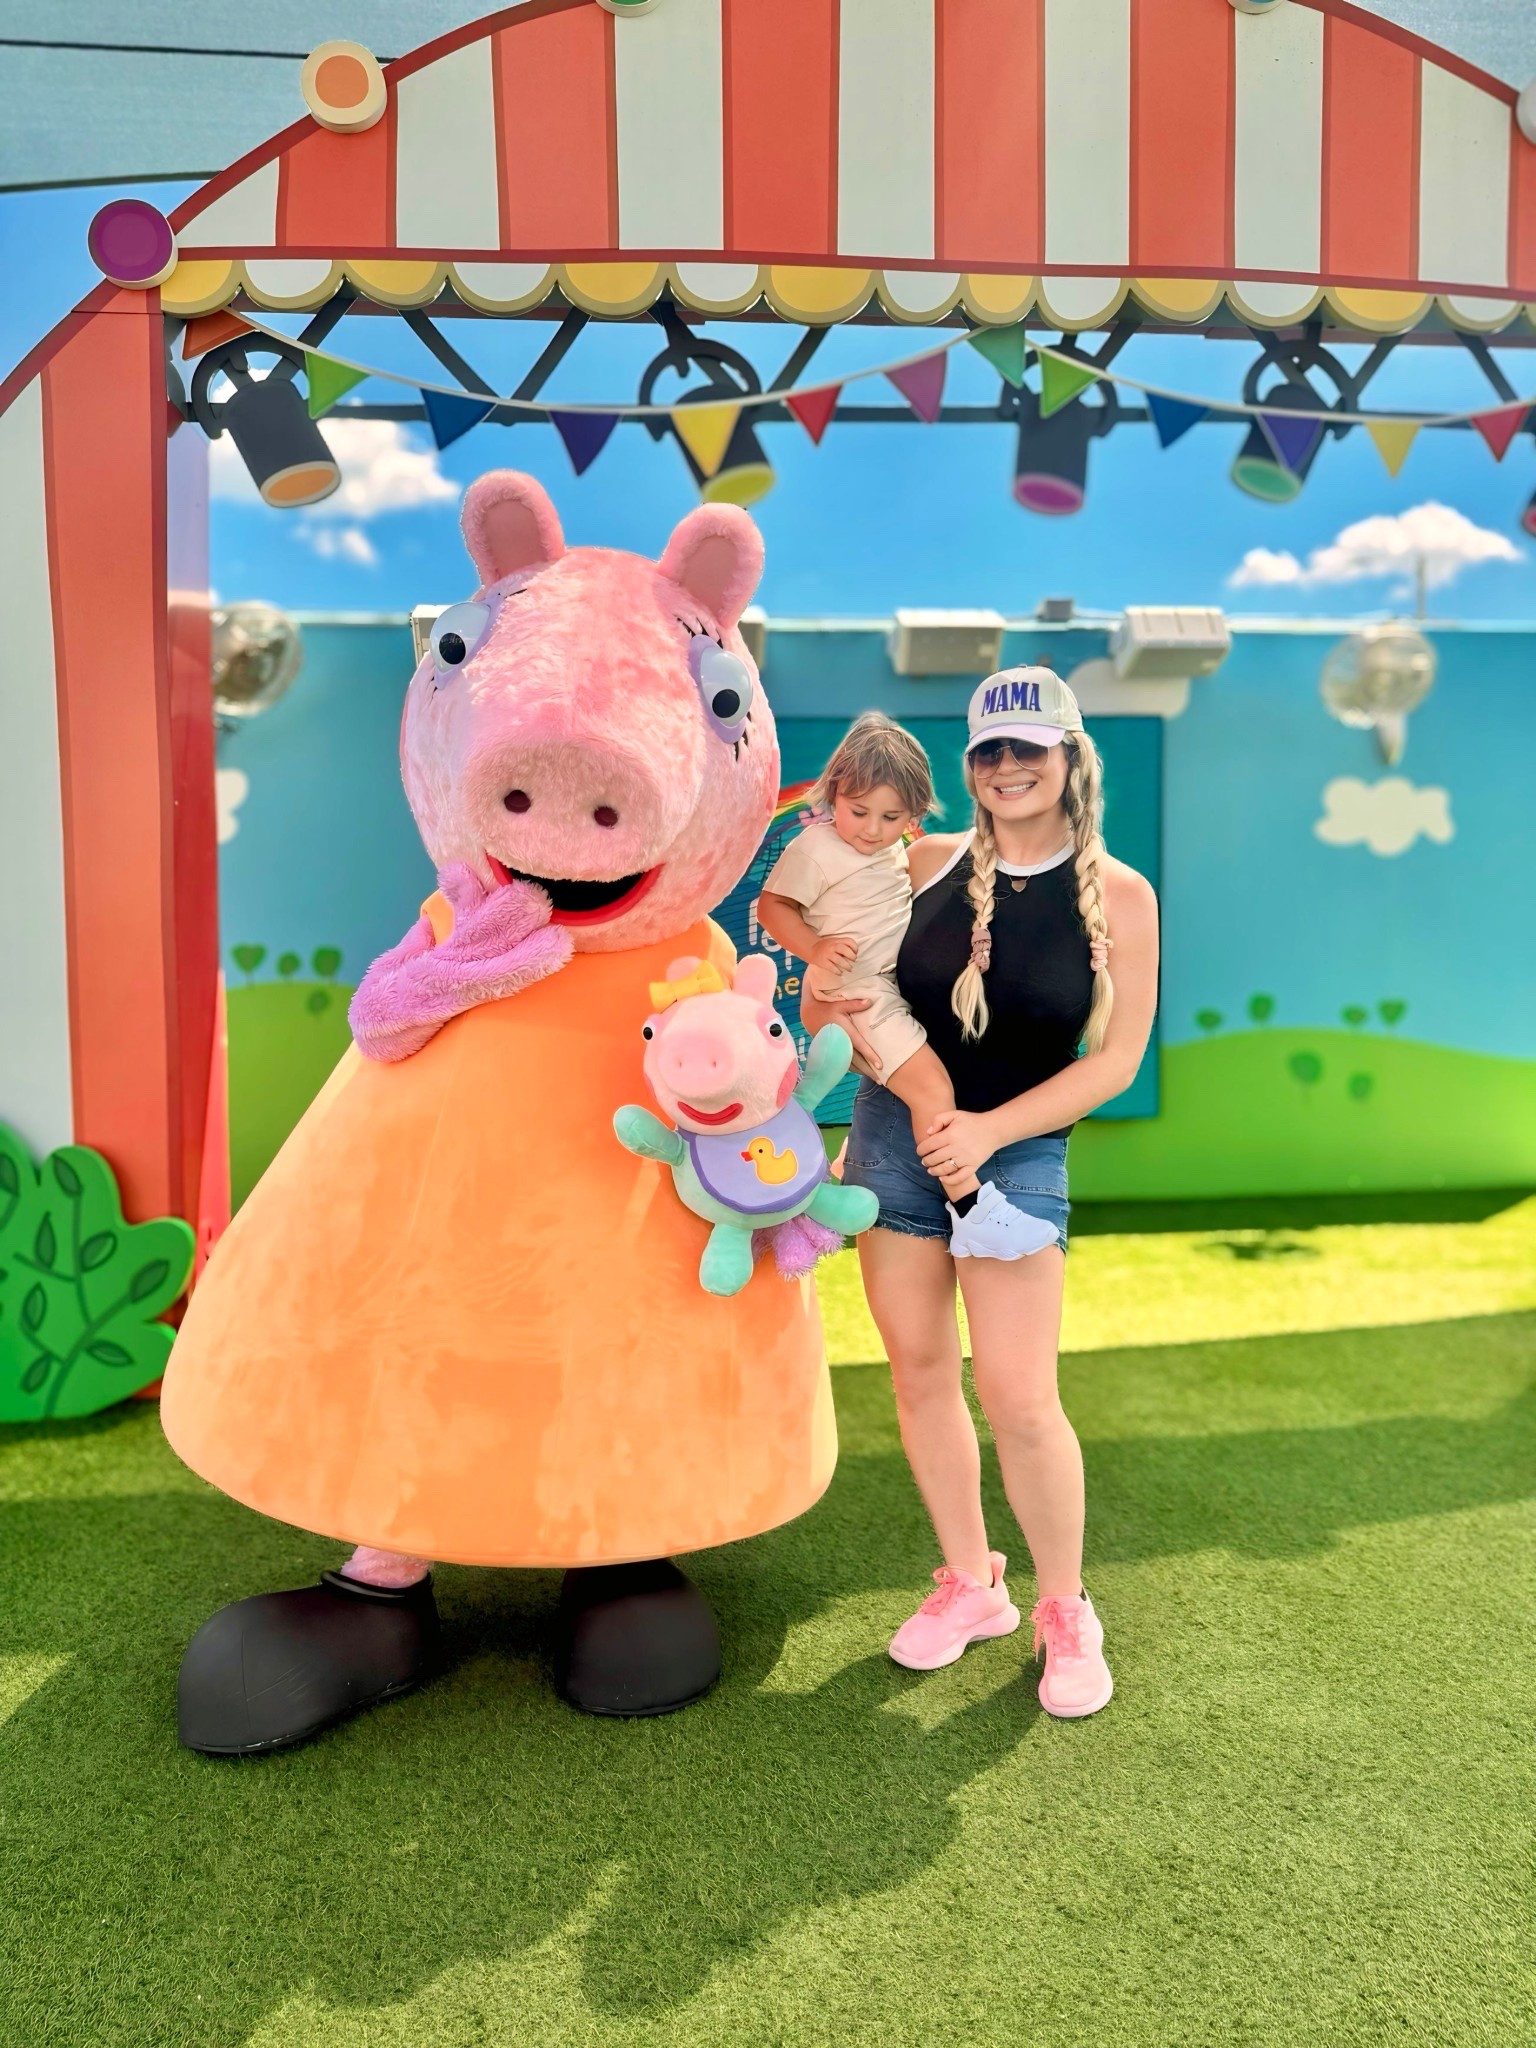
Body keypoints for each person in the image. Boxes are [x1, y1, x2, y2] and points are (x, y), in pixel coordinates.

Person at [800, 669, 1158, 1718]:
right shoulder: (918, 861)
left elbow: (1117, 1060)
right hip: (892, 1140)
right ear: (968, 766)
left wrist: (989, 1131)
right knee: (919, 1370)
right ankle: (972, 1582)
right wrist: (830, 1006)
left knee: (1018, 1396)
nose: (1007, 768)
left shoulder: (1123, 896)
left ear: (1069, 757)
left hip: (1019, 1153)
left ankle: (1064, 1606)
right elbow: (844, 986)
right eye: (989, 751)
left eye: (1028, 749)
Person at [757, 712, 1061, 1260]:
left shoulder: (898, 851)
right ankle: (972, 1208)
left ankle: (850, 1160)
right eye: (858, 812)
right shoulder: (816, 848)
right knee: (933, 1091)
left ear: (914, 814)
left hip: (890, 989)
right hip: (858, 992)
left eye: (891, 816)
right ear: (834, 794)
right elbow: (773, 906)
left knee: (919, 1078)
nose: (872, 829)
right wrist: (814, 949)